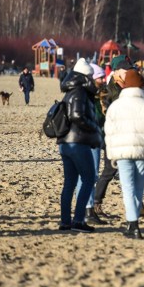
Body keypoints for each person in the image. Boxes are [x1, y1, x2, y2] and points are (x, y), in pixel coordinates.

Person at [104, 69, 144, 239]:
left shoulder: (115, 106)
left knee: (128, 189)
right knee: (138, 188)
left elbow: (109, 132)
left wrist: (111, 154)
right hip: (143, 153)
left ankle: (133, 225)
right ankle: (132, 223)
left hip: (122, 152)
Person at [57, 58, 102, 233]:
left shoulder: (69, 90)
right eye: (90, 75)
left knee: (69, 183)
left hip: (66, 143)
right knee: (89, 178)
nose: (92, 79)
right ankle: (77, 221)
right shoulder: (79, 92)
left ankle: (65, 221)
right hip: (77, 143)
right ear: (85, 76)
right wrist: (94, 128)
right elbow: (77, 115)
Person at [74, 63, 108, 225]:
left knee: (85, 175)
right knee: (90, 174)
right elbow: (94, 118)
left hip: (84, 139)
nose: (103, 80)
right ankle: (87, 210)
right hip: (88, 139)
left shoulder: (86, 93)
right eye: (100, 77)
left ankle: (85, 209)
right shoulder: (89, 96)